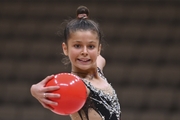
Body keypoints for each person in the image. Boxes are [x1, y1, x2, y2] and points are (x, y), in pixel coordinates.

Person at [30, 6, 121, 120]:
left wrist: (84, 22)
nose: (84, 52)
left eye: (91, 46)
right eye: (77, 46)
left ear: (99, 49)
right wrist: (34, 90)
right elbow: (49, 89)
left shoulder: (98, 68)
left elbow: (100, 59)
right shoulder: (75, 86)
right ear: (65, 48)